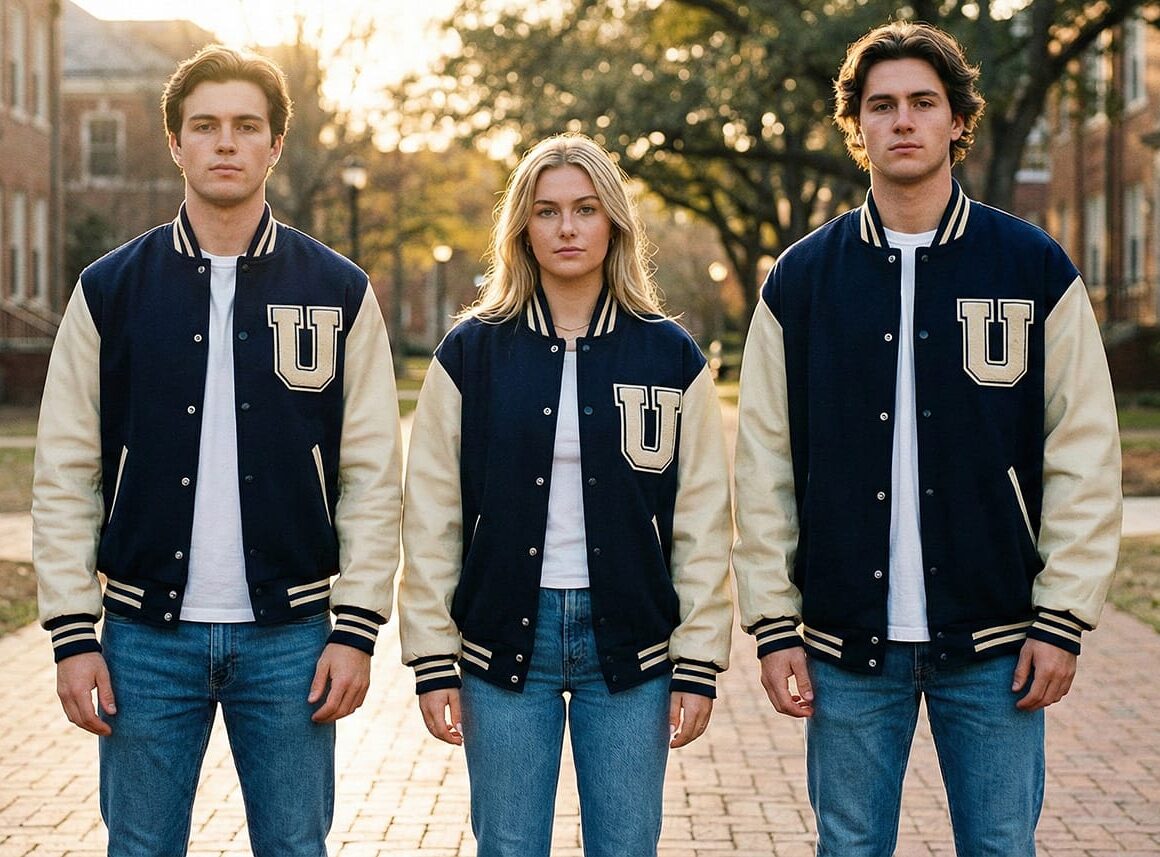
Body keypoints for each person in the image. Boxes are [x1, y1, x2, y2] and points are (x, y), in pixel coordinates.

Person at [731, 21, 1122, 856]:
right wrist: (773, 623)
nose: (902, 120)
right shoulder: (801, 280)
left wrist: (1063, 617)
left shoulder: (1031, 267)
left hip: (998, 643)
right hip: (844, 644)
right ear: (857, 126)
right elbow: (763, 464)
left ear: (956, 121)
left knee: (1001, 846)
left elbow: (1083, 451)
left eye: (922, 102)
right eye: (881, 106)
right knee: (849, 846)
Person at [32, 44, 402, 856]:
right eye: (205, 126)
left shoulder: (338, 290)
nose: (225, 142)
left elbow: (373, 472)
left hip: (294, 637)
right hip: (142, 640)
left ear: (275, 145)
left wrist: (358, 624)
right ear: (175, 143)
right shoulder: (110, 290)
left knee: (296, 847)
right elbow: (64, 471)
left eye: (246, 126)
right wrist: (71, 629)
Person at [397, 132, 733, 857]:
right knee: (509, 845)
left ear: (614, 221)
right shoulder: (471, 352)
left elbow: (703, 518)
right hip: (505, 639)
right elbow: (430, 515)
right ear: (523, 226)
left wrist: (699, 657)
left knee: (625, 844)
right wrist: (431, 653)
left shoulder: (670, 354)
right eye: (547, 211)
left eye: (585, 208)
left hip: (634, 642)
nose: (568, 227)